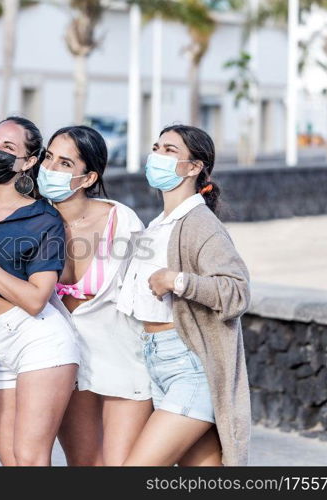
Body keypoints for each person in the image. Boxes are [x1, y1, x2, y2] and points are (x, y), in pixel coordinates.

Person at [119, 125, 251, 466]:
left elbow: (236, 292)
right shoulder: (161, 223)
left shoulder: (199, 223)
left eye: (170, 151)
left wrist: (176, 280)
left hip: (188, 365)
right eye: (156, 147)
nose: (157, 156)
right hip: (157, 362)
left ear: (194, 167)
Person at [0, 116, 80, 466]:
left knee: (30, 458)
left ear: (28, 162)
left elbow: (34, 298)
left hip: (37, 341)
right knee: (11, 461)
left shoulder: (43, 219)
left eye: (8, 147)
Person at [38, 126, 153, 466]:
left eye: (64, 163)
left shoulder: (121, 220)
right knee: (84, 463)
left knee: (121, 466)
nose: (50, 169)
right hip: (66, 361)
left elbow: (147, 292)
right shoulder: (33, 222)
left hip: (124, 359)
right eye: (48, 158)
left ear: (88, 178)